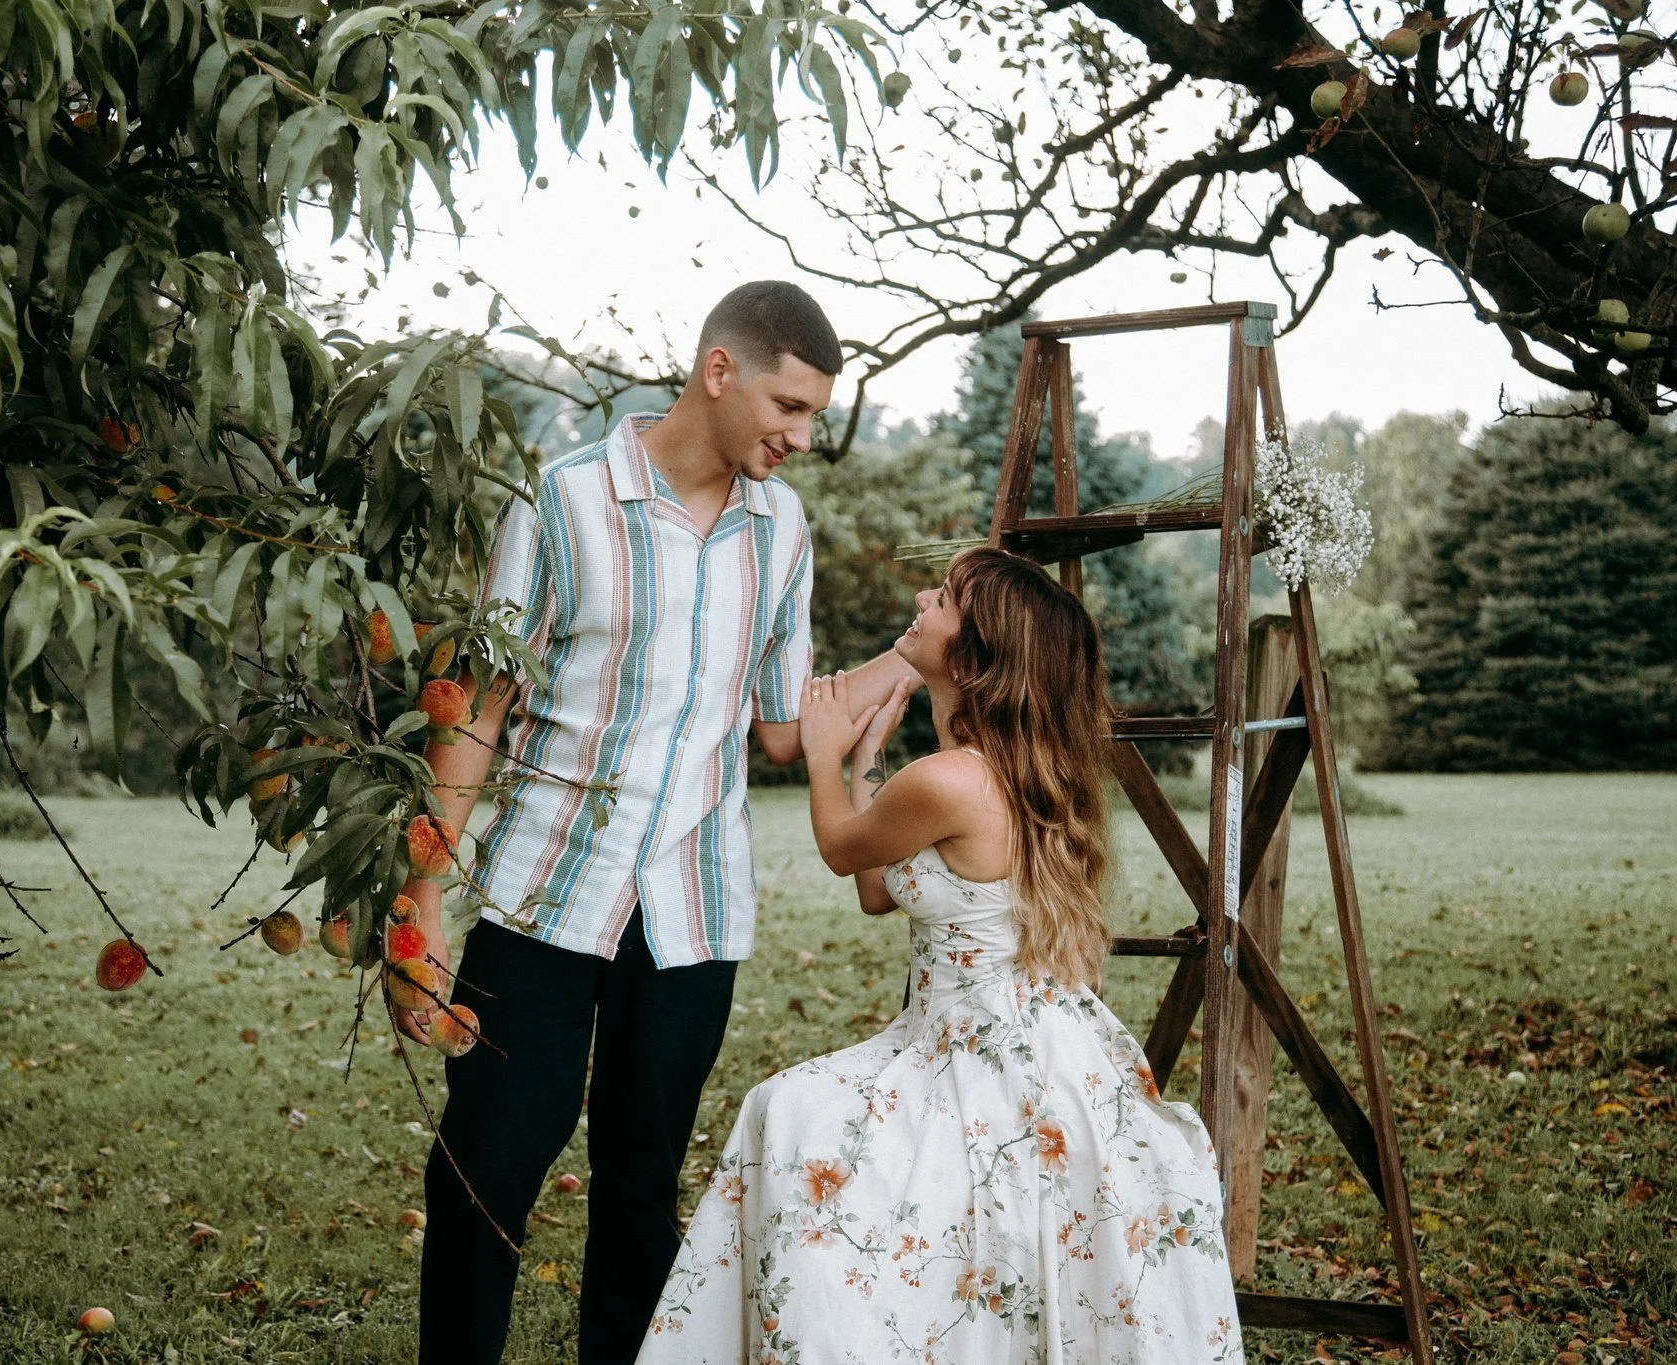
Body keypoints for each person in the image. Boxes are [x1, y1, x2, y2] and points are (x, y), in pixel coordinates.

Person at [397, 281, 921, 1365]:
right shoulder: (561, 499)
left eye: (814, 416)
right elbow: (480, 703)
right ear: (716, 372)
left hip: (692, 913)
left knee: (639, 1196)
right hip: (543, 897)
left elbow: (782, 730)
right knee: (481, 1175)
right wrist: (422, 897)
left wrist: (911, 659)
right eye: (789, 407)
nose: (800, 437)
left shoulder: (781, 529)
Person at [639, 547, 1245, 1364]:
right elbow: (881, 890)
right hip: (972, 1033)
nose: (924, 597)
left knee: (788, 1119)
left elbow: (840, 851)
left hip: (985, 1055)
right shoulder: (990, 772)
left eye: (947, 597)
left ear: (970, 654)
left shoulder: (954, 780)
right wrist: (867, 760)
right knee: (796, 1118)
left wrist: (823, 747)